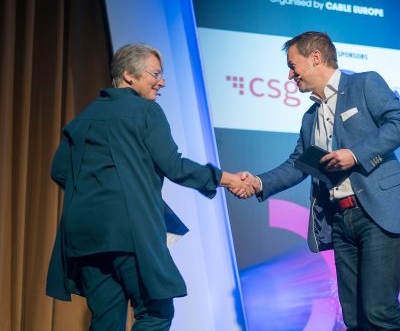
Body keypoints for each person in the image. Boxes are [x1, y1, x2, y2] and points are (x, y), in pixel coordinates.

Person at [46, 43, 254, 330]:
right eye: (155, 73)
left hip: (83, 236)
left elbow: (59, 171)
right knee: (155, 313)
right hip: (127, 231)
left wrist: (100, 191)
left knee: (106, 320)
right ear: (129, 76)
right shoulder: (147, 111)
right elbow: (174, 166)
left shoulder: (83, 119)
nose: (162, 81)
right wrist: (229, 179)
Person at [236, 32, 400, 330]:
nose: (290, 75)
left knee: (380, 311)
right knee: (354, 319)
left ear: (315, 58)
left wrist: (355, 154)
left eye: (292, 65)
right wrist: (257, 183)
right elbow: (298, 165)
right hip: (340, 221)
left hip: (378, 214)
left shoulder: (364, 83)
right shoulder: (309, 117)